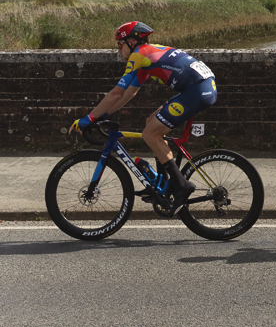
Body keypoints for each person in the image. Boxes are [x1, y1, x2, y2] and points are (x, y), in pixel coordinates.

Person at [70, 21, 217, 215]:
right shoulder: (147, 56)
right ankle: (163, 183)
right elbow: (126, 95)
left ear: (131, 41)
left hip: (197, 91)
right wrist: (101, 116)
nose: (118, 50)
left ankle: (182, 185)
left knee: (150, 134)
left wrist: (89, 118)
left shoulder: (139, 55)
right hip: (200, 88)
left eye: (119, 44)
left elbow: (115, 93)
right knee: (151, 124)